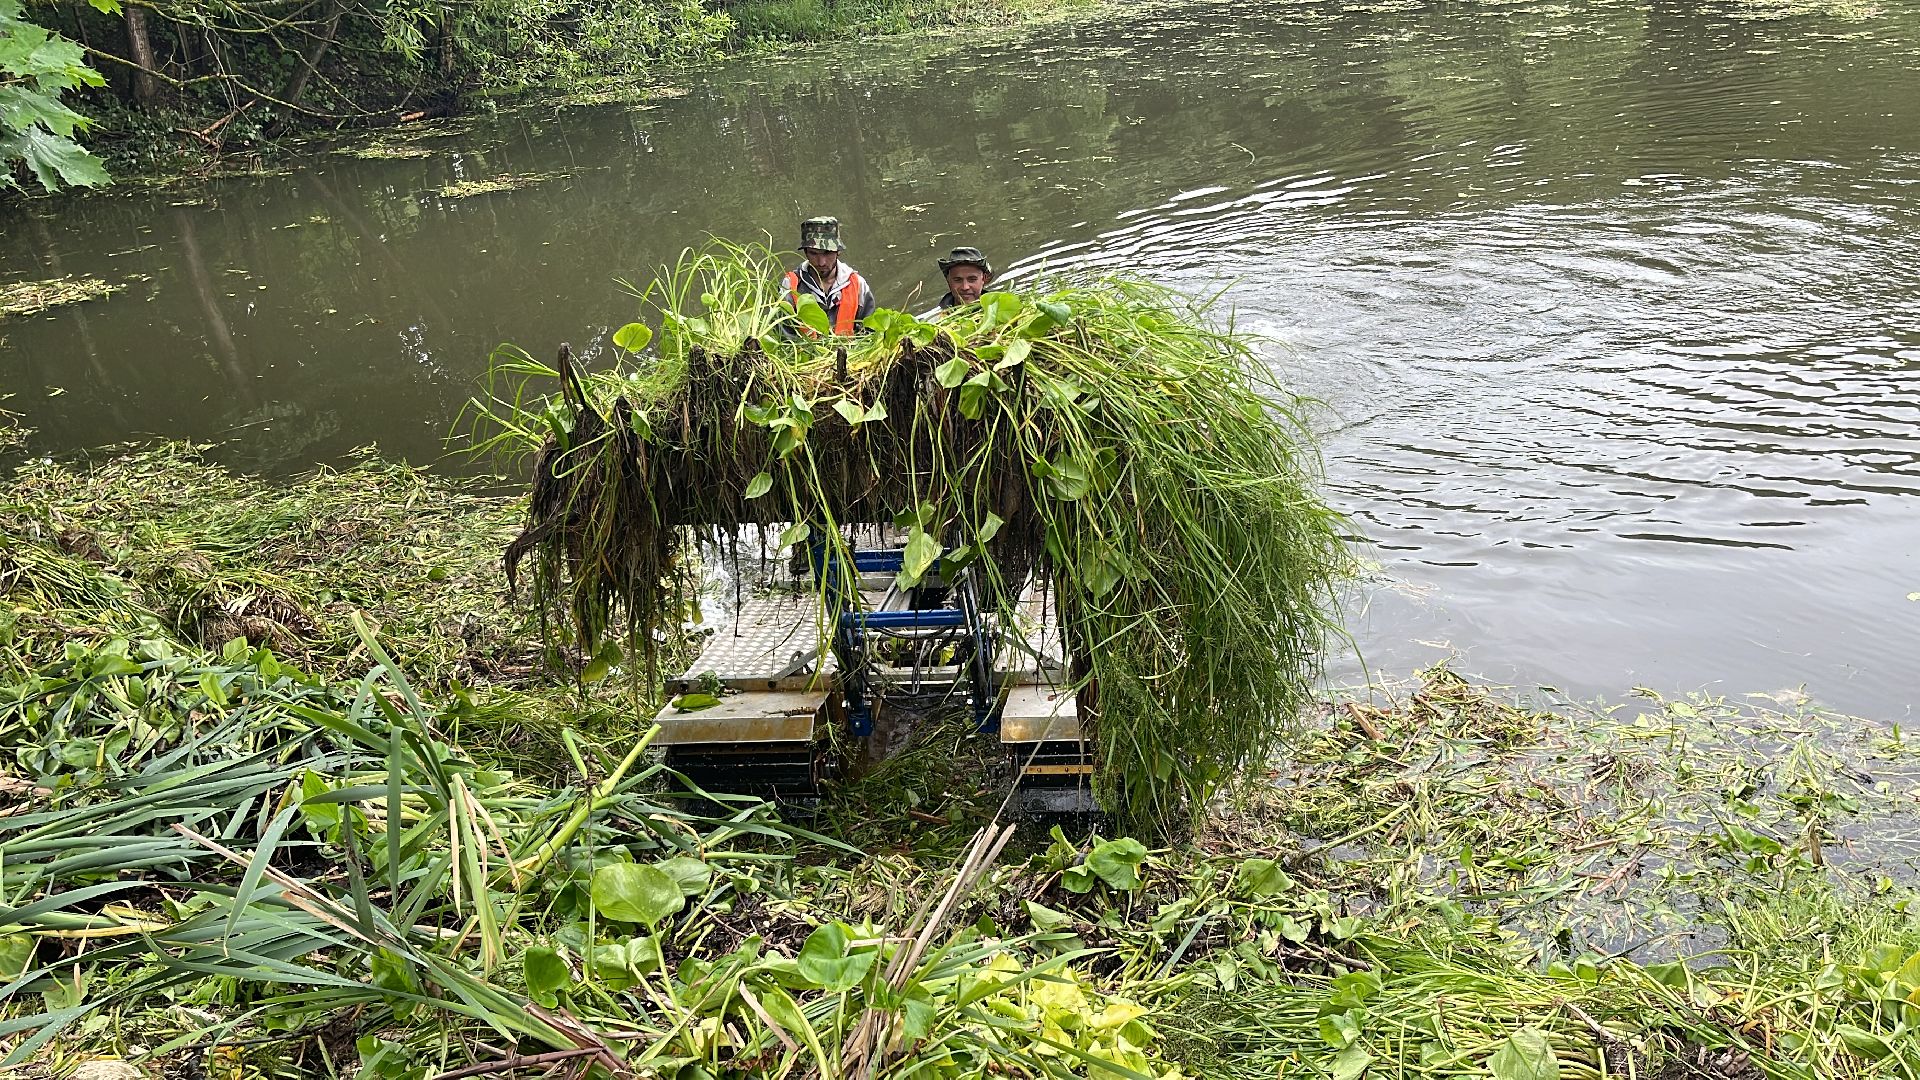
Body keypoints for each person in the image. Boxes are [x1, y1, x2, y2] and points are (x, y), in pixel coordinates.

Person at [782, 216, 875, 336]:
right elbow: (784, 335)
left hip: (851, 352)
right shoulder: (790, 286)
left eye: (827, 253)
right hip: (804, 353)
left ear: (838, 251)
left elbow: (870, 331)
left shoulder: (858, 285)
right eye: (814, 253)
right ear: (805, 252)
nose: (821, 262)